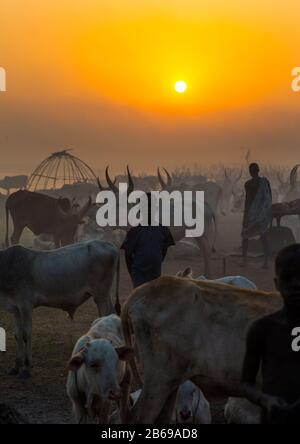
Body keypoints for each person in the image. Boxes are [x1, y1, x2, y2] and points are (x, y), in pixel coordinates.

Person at [241, 244, 300, 424]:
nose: (296, 284)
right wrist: (265, 400)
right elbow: (246, 384)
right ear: (277, 283)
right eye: (288, 278)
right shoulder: (262, 329)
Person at [121, 193, 174, 288]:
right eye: (146, 207)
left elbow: (164, 249)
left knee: (152, 299)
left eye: (151, 207)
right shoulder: (134, 232)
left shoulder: (163, 230)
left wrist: (157, 263)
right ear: (140, 210)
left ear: (156, 209)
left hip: (154, 274)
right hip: (139, 275)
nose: (148, 210)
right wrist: (133, 273)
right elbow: (128, 255)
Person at [241, 163, 272, 268]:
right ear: (258, 170)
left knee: (245, 236)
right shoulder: (265, 182)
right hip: (262, 214)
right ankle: (266, 262)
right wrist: (266, 212)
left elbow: (248, 201)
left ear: (250, 172)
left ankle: (244, 261)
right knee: (264, 236)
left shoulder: (248, 184)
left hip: (251, 214)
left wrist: (245, 216)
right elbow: (269, 198)